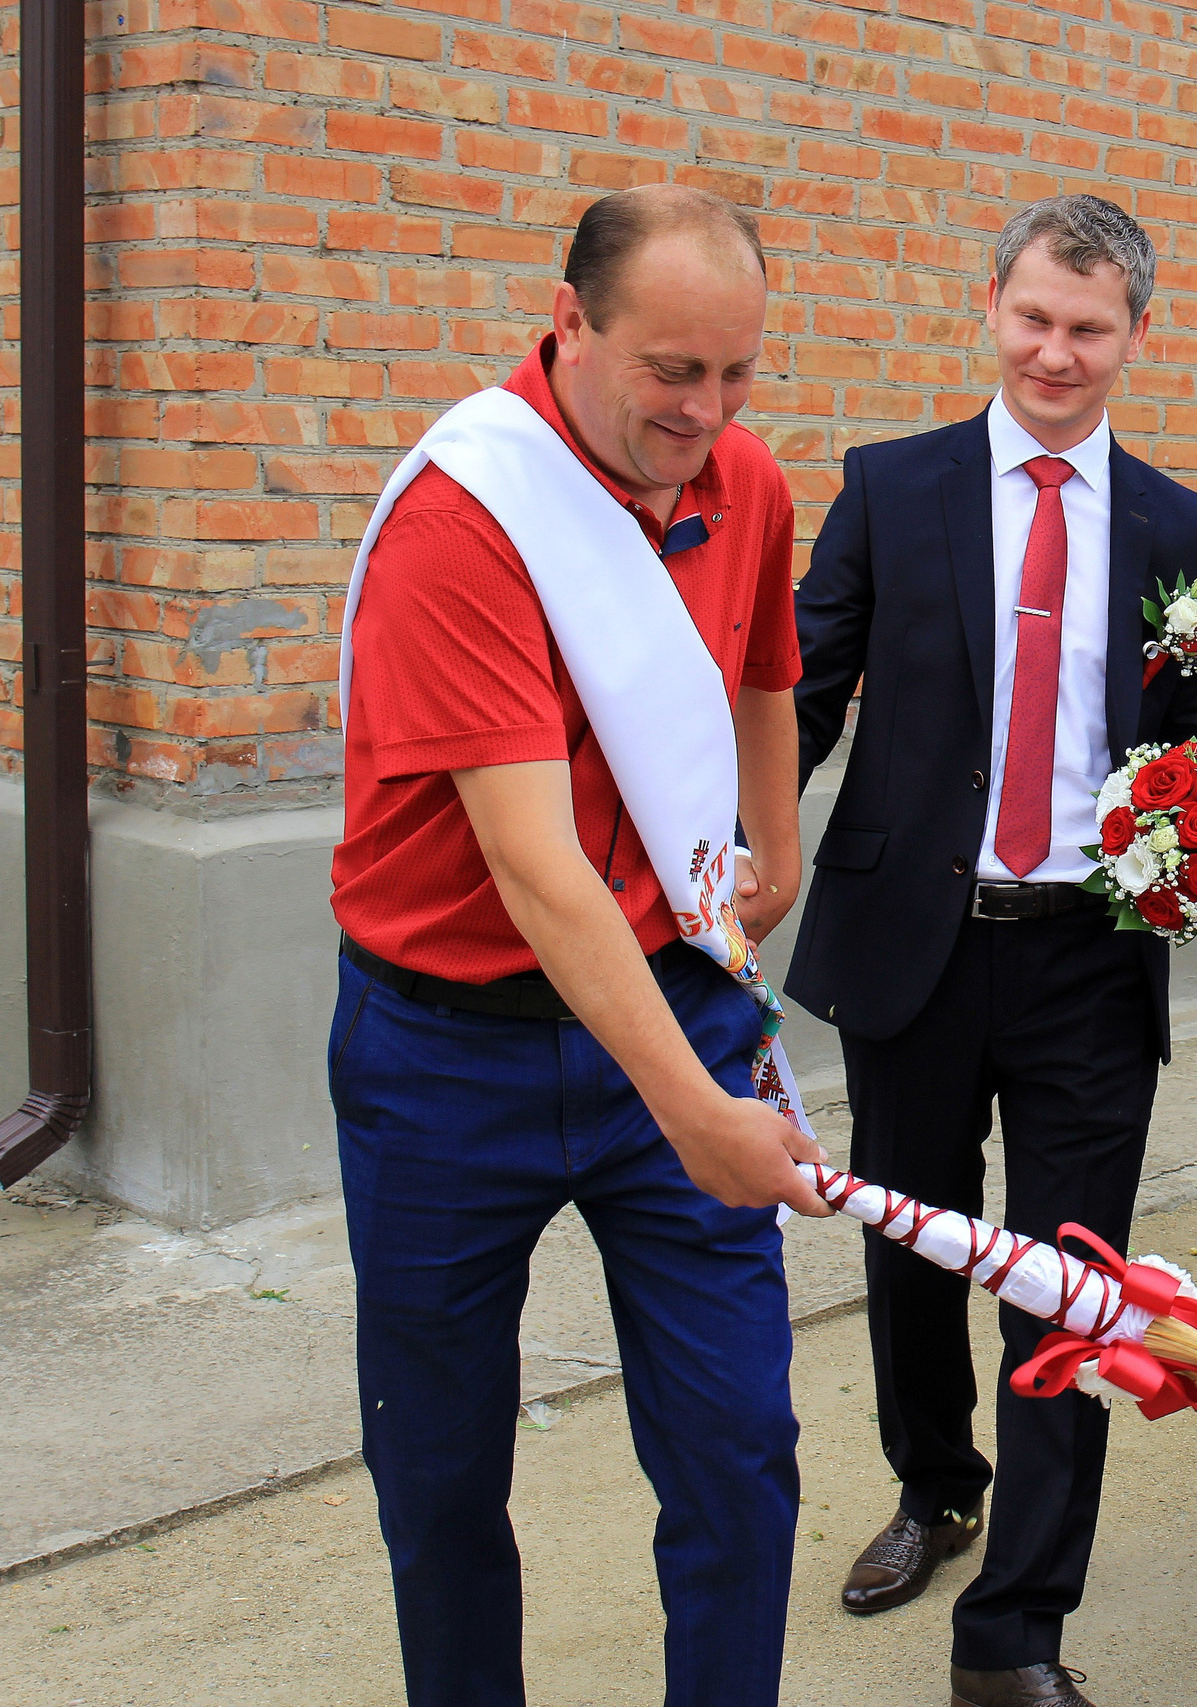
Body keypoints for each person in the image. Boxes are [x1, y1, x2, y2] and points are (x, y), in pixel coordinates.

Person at [329, 184, 833, 1707]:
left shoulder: (742, 474)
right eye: (671, 370)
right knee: (439, 1467)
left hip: (675, 984)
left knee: (741, 1451)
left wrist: (778, 833)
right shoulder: (462, 517)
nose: (707, 409)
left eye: (739, 371)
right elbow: (538, 871)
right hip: (446, 1052)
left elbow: (760, 664)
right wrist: (703, 1112)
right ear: (568, 324)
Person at [786, 195, 1197, 1707]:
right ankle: (934, 1485)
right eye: (1036, 316)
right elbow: (804, 691)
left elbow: (1187, 734)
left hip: (1090, 965)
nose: (1057, 349)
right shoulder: (891, 488)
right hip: (913, 942)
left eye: (1089, 326)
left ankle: (1018, 1629)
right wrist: (714, 863)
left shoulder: (1181, 528)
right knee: (914, 1254)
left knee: (1073, 1288)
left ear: (1133, 339)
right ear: (992, 304)